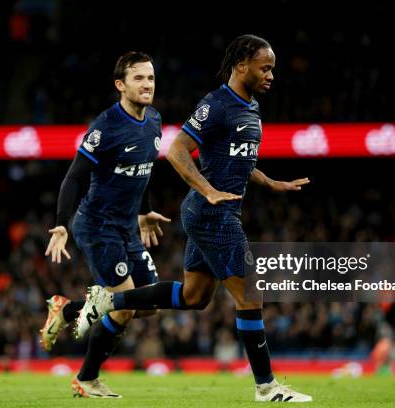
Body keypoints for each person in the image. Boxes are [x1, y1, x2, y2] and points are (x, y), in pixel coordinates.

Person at [75, 35, 313, 403]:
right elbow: (176, 151)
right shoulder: (217, 104)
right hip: (212, 213)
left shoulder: (251, 108)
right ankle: (267, 387)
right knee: (251, 294)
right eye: (265, 68)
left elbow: (238, 160)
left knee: (194, 297)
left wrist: (272, 182)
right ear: (241, 66)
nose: (270, 76)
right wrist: (208, 190)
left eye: (272, 70)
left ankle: (109, 301)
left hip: (215, 211)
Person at [41, 51, 170, 398]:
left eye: (151, 78)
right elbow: (73, 178)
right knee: (125, 305)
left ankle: (68, 309)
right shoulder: (106, 127)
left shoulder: (155, 120)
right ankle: (86, 379)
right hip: (96, 225)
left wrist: (144, 211)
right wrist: (62, 225)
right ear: (120, 85)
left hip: (127, 226)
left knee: (150, 305)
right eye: (139, 78)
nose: (147, 84)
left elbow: (141, 173)